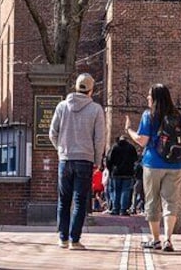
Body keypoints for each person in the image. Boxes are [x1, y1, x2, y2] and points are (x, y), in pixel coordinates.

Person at [125, 83, 181, 253]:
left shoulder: (149, 115)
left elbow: (142, 141)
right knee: (171, 202)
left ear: (156, 97)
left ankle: (156, 239)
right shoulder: (177, 115)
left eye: (149, 95)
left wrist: (129, 129)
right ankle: (168, 239)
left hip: (153, 163)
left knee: (152, 202)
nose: (147, 98)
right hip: (176, 164)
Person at [49, 73, 106, 250]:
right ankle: (75, 239)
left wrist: (61, 149)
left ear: (76, 86)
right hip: (85, 159)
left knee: (63, 200)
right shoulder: (96, 109)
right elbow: (99, 138)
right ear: (91, 89)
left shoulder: (62, 106)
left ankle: (62, 238)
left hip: (65, 159)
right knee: (80, 201)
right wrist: (97, 161)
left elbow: (52, 132)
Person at [105, 136, 139, 215]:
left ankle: (115, 209)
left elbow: (109, 160)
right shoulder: (131, 148)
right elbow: (135, 159)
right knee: (125, 191)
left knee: (116, 191)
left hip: (116, 172)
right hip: (128, 173)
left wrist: (111, 170)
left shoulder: (115, 147)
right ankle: (123, 209)